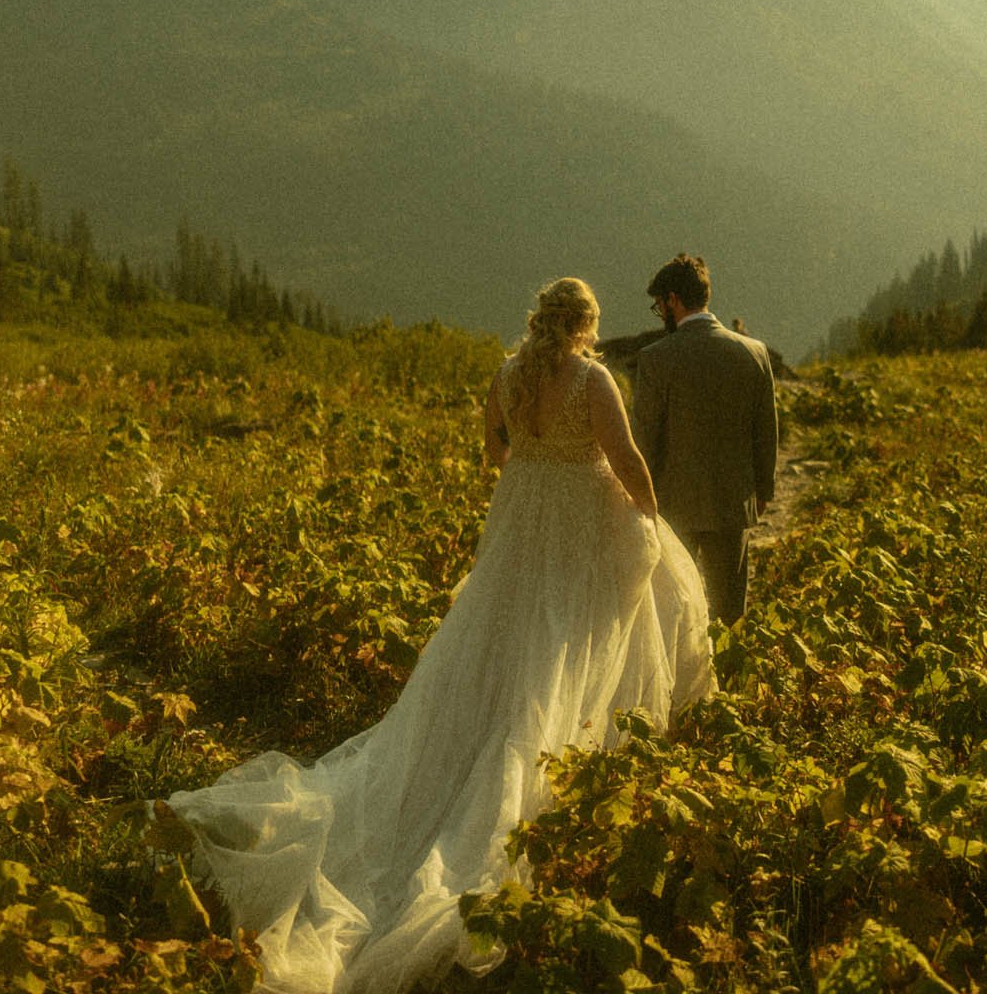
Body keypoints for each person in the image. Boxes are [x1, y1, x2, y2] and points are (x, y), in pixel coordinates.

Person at [166, 278, 710, 993]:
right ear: (583, 325)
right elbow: (626, 454)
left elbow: (495, 452)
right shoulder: (592, 377)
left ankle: (482, 738)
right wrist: (643, 509)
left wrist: (536, 468)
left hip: (520, 519)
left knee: (500, 637)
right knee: (566, 639)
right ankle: (566, 767)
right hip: (577, 520)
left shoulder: (508, 375)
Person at [632, 253, 778, 626]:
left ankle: (676, 683)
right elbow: (765, 434)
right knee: (731, 608)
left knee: (670, 611)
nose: (660, 312)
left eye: (659, 305)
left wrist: (636, 500)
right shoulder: (754, 353)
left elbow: (645, 439)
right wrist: (762, 491)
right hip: (733, 501)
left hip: (671, 504)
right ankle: (730, 678)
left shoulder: (655, 359)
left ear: (673, 301)